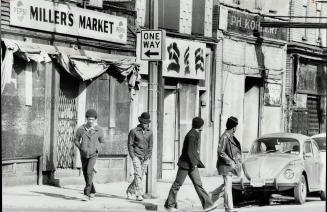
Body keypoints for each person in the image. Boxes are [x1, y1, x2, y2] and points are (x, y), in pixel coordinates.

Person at [164, 117, 217, 212]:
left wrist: (195, 163)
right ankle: (169, 205)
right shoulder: (192, 135)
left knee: (198, 184)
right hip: (186, 164)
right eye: (202, 124)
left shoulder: (194, 133)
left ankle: (208, 205)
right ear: (200, 125)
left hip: (191, 164)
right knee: (177, 184)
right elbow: (190, 152)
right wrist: (194, 164)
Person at [210, 116, 242, 212]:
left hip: (229, 166)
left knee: (225, 186)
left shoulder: (230, 136)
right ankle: (229, 208)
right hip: (225, 166)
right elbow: (221, 152)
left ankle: (209, 199)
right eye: (236, 126)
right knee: (228, 186)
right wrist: (231, 162)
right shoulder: (224, 137)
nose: (236, 128)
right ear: (233, 127)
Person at [74, 109, 105, 201]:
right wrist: (81, 148)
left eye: (92, 119)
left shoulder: (99, 130)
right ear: (86, 119)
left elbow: (102, 142)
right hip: (83, 154)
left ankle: (86, 194)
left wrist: (97, 149)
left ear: (95, 119)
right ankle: (92, 190)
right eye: (89, 119)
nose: (90, 121)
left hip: (93, 155)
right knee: (85, 173)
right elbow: (76, 140)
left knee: (89, 172)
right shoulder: (81, 129)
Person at [126, 112, 153, 201]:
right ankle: (139, 194)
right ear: (141, 122)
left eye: (147, 123)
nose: (145, 124)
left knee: (140, 175)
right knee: (138, 174)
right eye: (144, 122)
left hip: (146, 157)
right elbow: (130, 144)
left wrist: (148, 156)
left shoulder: (150, 132)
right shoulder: (133, 131)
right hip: (136, 156)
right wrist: (133, 156)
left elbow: (150, 146)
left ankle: (130, 191)